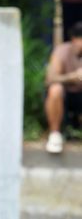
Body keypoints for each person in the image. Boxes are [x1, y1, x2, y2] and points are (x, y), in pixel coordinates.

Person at [44, 18, 82, 152]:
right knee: (55, 89)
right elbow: (50, 79)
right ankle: (55, 134)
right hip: (66, 96)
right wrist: (73, 77)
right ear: (74, 39)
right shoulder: (62, 51)